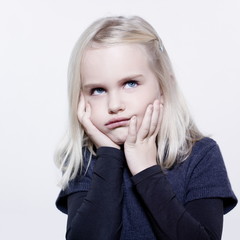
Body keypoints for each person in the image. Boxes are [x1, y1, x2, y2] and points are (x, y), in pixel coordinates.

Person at [55, 16, 237, 240]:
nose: (114, 105)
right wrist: (109, 157)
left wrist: (144, 169)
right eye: (98, 90)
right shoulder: (85, 159)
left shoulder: (200, 155)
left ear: (164, 86)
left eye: (130, 83)